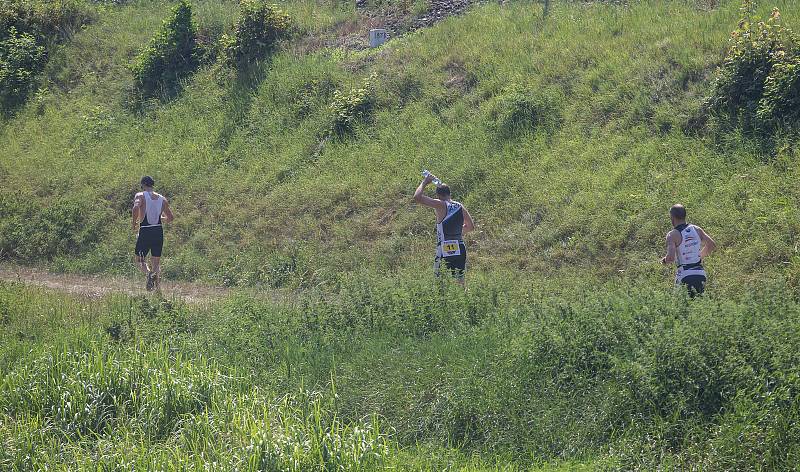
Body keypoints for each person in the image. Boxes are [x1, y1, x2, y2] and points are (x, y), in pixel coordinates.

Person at [413, 172, 475, 284]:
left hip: (445, 248)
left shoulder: (440, 204)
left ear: (438, 196)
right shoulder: (460, 206)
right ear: (449, 193)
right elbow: (470, 227)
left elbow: (417, 197)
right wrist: (456, 233)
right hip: (460, 247)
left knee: (439, 282)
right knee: (460, 283)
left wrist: (425, 182)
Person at [661, 204, 716, 297]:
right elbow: (711, 245)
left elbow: (670, 258)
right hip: (700, 273)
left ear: (672, 217)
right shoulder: (696, 229)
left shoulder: (672, 235)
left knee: (679, 307)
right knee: (698, 306)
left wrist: (664, 261)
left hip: (684, 274)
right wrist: (699, 257)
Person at [132, 176, 174, 291]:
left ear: (143, 185)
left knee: (140, 260)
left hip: (145, 230)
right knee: (156, 262)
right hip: (158, 231)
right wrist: (160, 218)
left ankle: (149, 274)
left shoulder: (140, 195)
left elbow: (136, 207)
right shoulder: (163, 199)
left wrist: (134, 222)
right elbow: (170, 218)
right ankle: (158, 290)